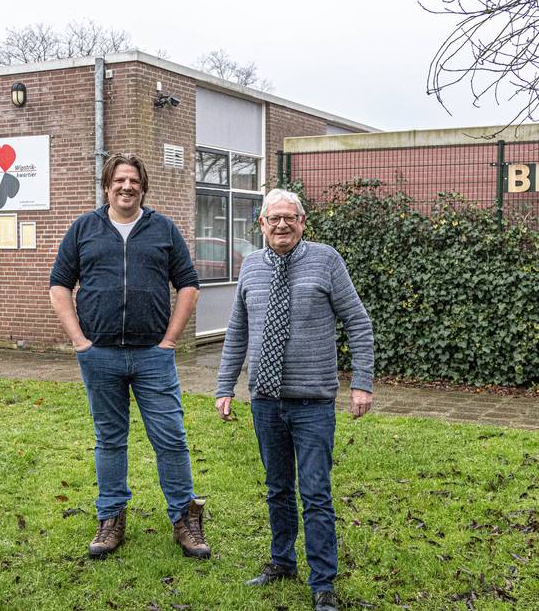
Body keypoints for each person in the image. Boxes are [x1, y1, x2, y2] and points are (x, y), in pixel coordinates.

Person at [215, 189, 375, 611]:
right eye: (274, 218)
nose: (282, 224)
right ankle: (282, 562)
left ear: (302, 222)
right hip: (266, 401)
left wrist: (362, 382)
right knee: (277, 488)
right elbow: (237, 332)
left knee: (316, 493)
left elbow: (358, 321)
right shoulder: (251, 267)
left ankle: (323, 582)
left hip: (313, 403)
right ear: (262, 224)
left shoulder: (326, 261)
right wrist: (224, 386)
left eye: (290, 217)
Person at [49, 153, 209, 560]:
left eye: (134, 181)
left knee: (170, 437)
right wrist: (79, 341)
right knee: (109, 439)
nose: (126, 186)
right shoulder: (84, 228)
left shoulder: (163, 229)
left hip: (153, 355)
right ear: (107, 186)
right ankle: (111, 518)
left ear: (143, 187)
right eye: (119, 180)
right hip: (99, 354)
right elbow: (59, 285)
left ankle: (185, 518)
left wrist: (170, 341)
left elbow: (188, 285)